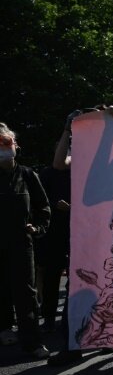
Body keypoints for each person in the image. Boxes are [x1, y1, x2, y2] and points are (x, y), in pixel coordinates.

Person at [0, 122, 51, 359]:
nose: (3, 148)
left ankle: (32, 342)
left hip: (22, 242)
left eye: (6, 142)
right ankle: (4, 327)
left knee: (26, 292)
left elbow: (43, 208)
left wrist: (37, 227)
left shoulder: (28, 175)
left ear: (15, 145)